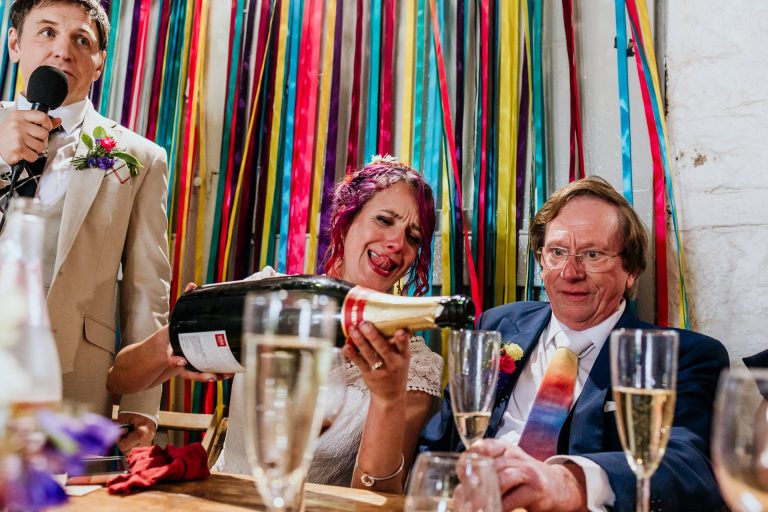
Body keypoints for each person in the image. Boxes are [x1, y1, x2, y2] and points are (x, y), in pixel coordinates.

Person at [107, 156, 444, 492]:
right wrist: (178, 335)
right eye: (385, 220)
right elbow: (121, 379)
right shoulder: (268, 295)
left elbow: (372, 498)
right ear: (347, 219)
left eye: (413, 237)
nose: (397, 244)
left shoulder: (414, 366)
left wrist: (388, 399)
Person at [419, 176, 729, 511]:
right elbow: (439, 444)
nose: (570, 272)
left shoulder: (684, 355)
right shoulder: (497, 327)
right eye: (557, 252)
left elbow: (689, 464)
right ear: (541, 262)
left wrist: (565, 483)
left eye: (592, 254)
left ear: (631, 271)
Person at [0, 0, 171, 452]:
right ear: (15, 43)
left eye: (81, 40)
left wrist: (141, 401)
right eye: (47, 32)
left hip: (71, 380)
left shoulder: (141, 158)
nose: (63, 51)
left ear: (98, 64)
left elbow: (146, 288)